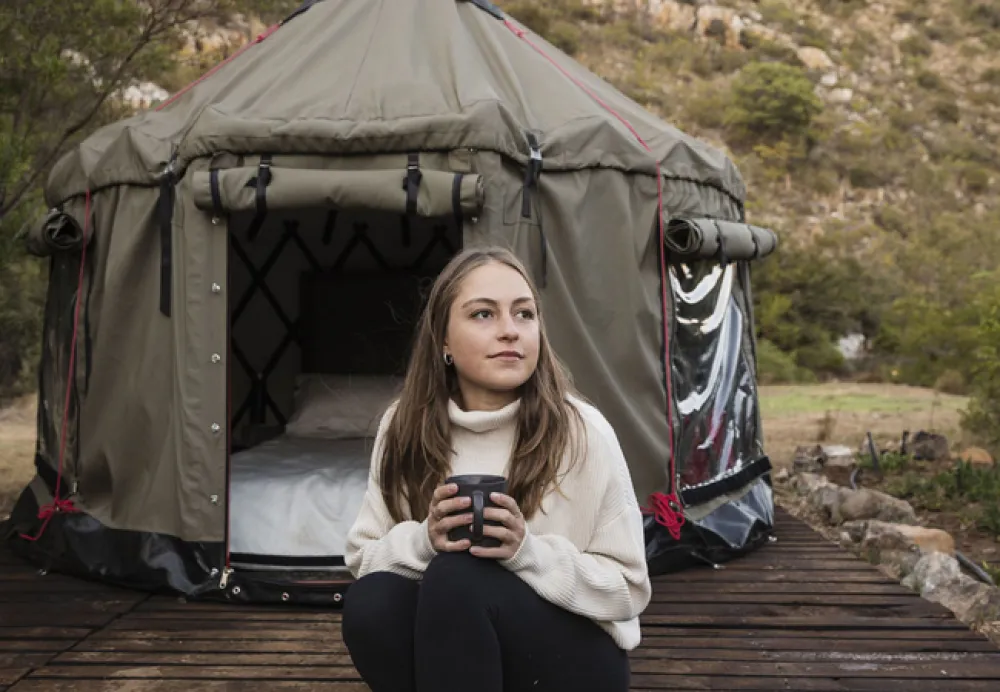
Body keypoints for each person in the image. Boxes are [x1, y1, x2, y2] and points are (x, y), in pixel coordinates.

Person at [342, 246, 652, 692]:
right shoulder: (403, 425)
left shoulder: (583, 431)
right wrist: (426, 539)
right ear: (443, 340)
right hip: (456, 647)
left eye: (524, 314)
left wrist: (527, 553)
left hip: (574, 662)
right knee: (371, 602)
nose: (510, 331)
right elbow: (364, 559)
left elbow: (629, 590)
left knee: (460, 576)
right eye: (483, 315)